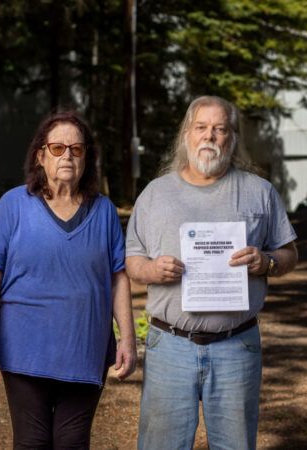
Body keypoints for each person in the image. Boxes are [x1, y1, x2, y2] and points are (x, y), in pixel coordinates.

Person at [126, 96, 298, 450]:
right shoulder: (155, 194)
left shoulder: (259, 192)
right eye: (201, 127)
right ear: (186, 135)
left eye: (220, 129)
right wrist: (152, 270)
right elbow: (132, 260)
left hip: (237, 346)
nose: (210, 136)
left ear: (232, 137)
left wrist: (266, 262)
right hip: (170, 345)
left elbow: (289, 254)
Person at [0, 110, 137, 449]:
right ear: (40, 156)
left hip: (84, 348)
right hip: (23, 349)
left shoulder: (104, 211)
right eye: (58, 148)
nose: (67, 156)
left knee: (72, 441)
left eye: (76, 149)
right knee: (32, 442)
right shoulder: (13, 205)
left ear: (86, 158)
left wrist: (128, 338)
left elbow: (117, 277)